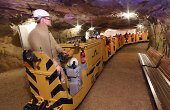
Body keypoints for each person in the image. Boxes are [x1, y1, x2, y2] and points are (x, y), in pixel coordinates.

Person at [28, 9, 67, 83]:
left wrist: (61, 51)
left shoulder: (48, 32)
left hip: (55, 64)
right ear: (43, 20)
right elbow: (41, 53)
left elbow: (55, 44)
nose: (50, 20)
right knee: (56, 87)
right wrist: (55, 65)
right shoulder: (34, 34)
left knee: (62, 83)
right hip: (48, 68)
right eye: (48, 18)